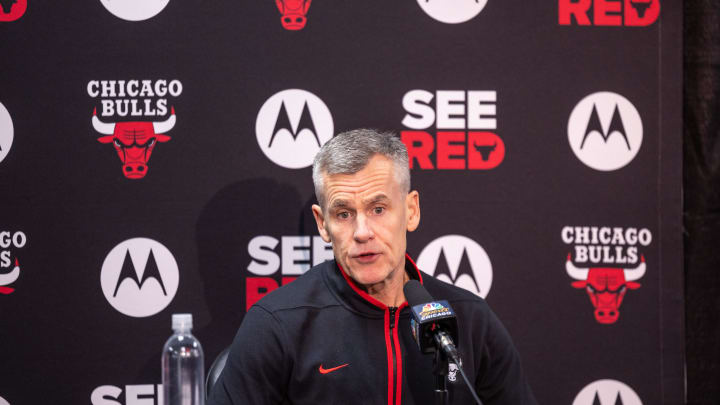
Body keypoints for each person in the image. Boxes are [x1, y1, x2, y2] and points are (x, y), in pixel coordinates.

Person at [208, 129, 537, 404]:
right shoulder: (277, 324)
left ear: (411, 211)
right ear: (323, 225)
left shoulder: (470, 319)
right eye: (344, 214)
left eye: (378, 209)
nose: (362, 232)